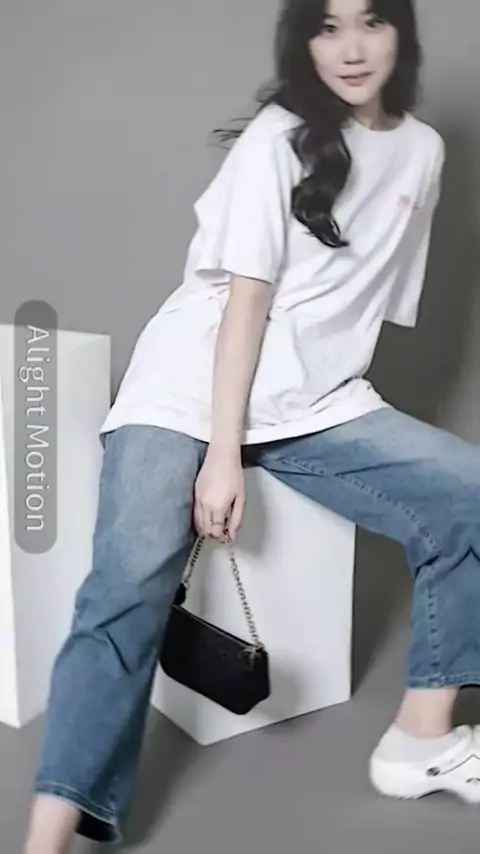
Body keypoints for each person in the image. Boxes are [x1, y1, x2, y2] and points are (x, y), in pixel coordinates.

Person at [23, 0, 480, 851]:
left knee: (470, 494)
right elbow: (248, 302)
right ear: (304, 40)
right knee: (125, 588)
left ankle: (420, 737)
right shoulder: (279, 137)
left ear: (401, 34)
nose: (351, 48)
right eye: (328, 26)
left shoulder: (422, 150)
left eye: (371, 22)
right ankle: (46, 836)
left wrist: (305, 399)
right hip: (188, 388)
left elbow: (355, 301)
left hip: (314, 402)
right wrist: (223, 455)